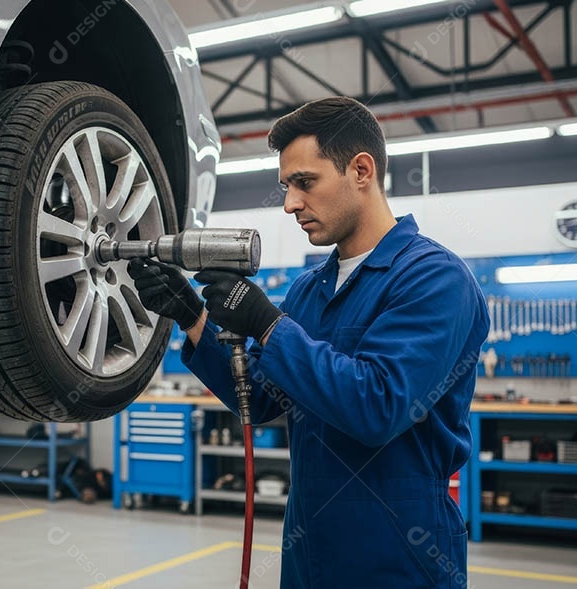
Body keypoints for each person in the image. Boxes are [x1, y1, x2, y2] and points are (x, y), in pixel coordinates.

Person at [128, 97, 489, 588]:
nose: (290, 203)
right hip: (309, 550)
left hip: (401, 554)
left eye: (305, 182)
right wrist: (192, 317)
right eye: (286, 186)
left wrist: (267, 324)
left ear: (361, 170)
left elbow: (379, 406)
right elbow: (260, 397)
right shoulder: (308, 289)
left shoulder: (434, 279)